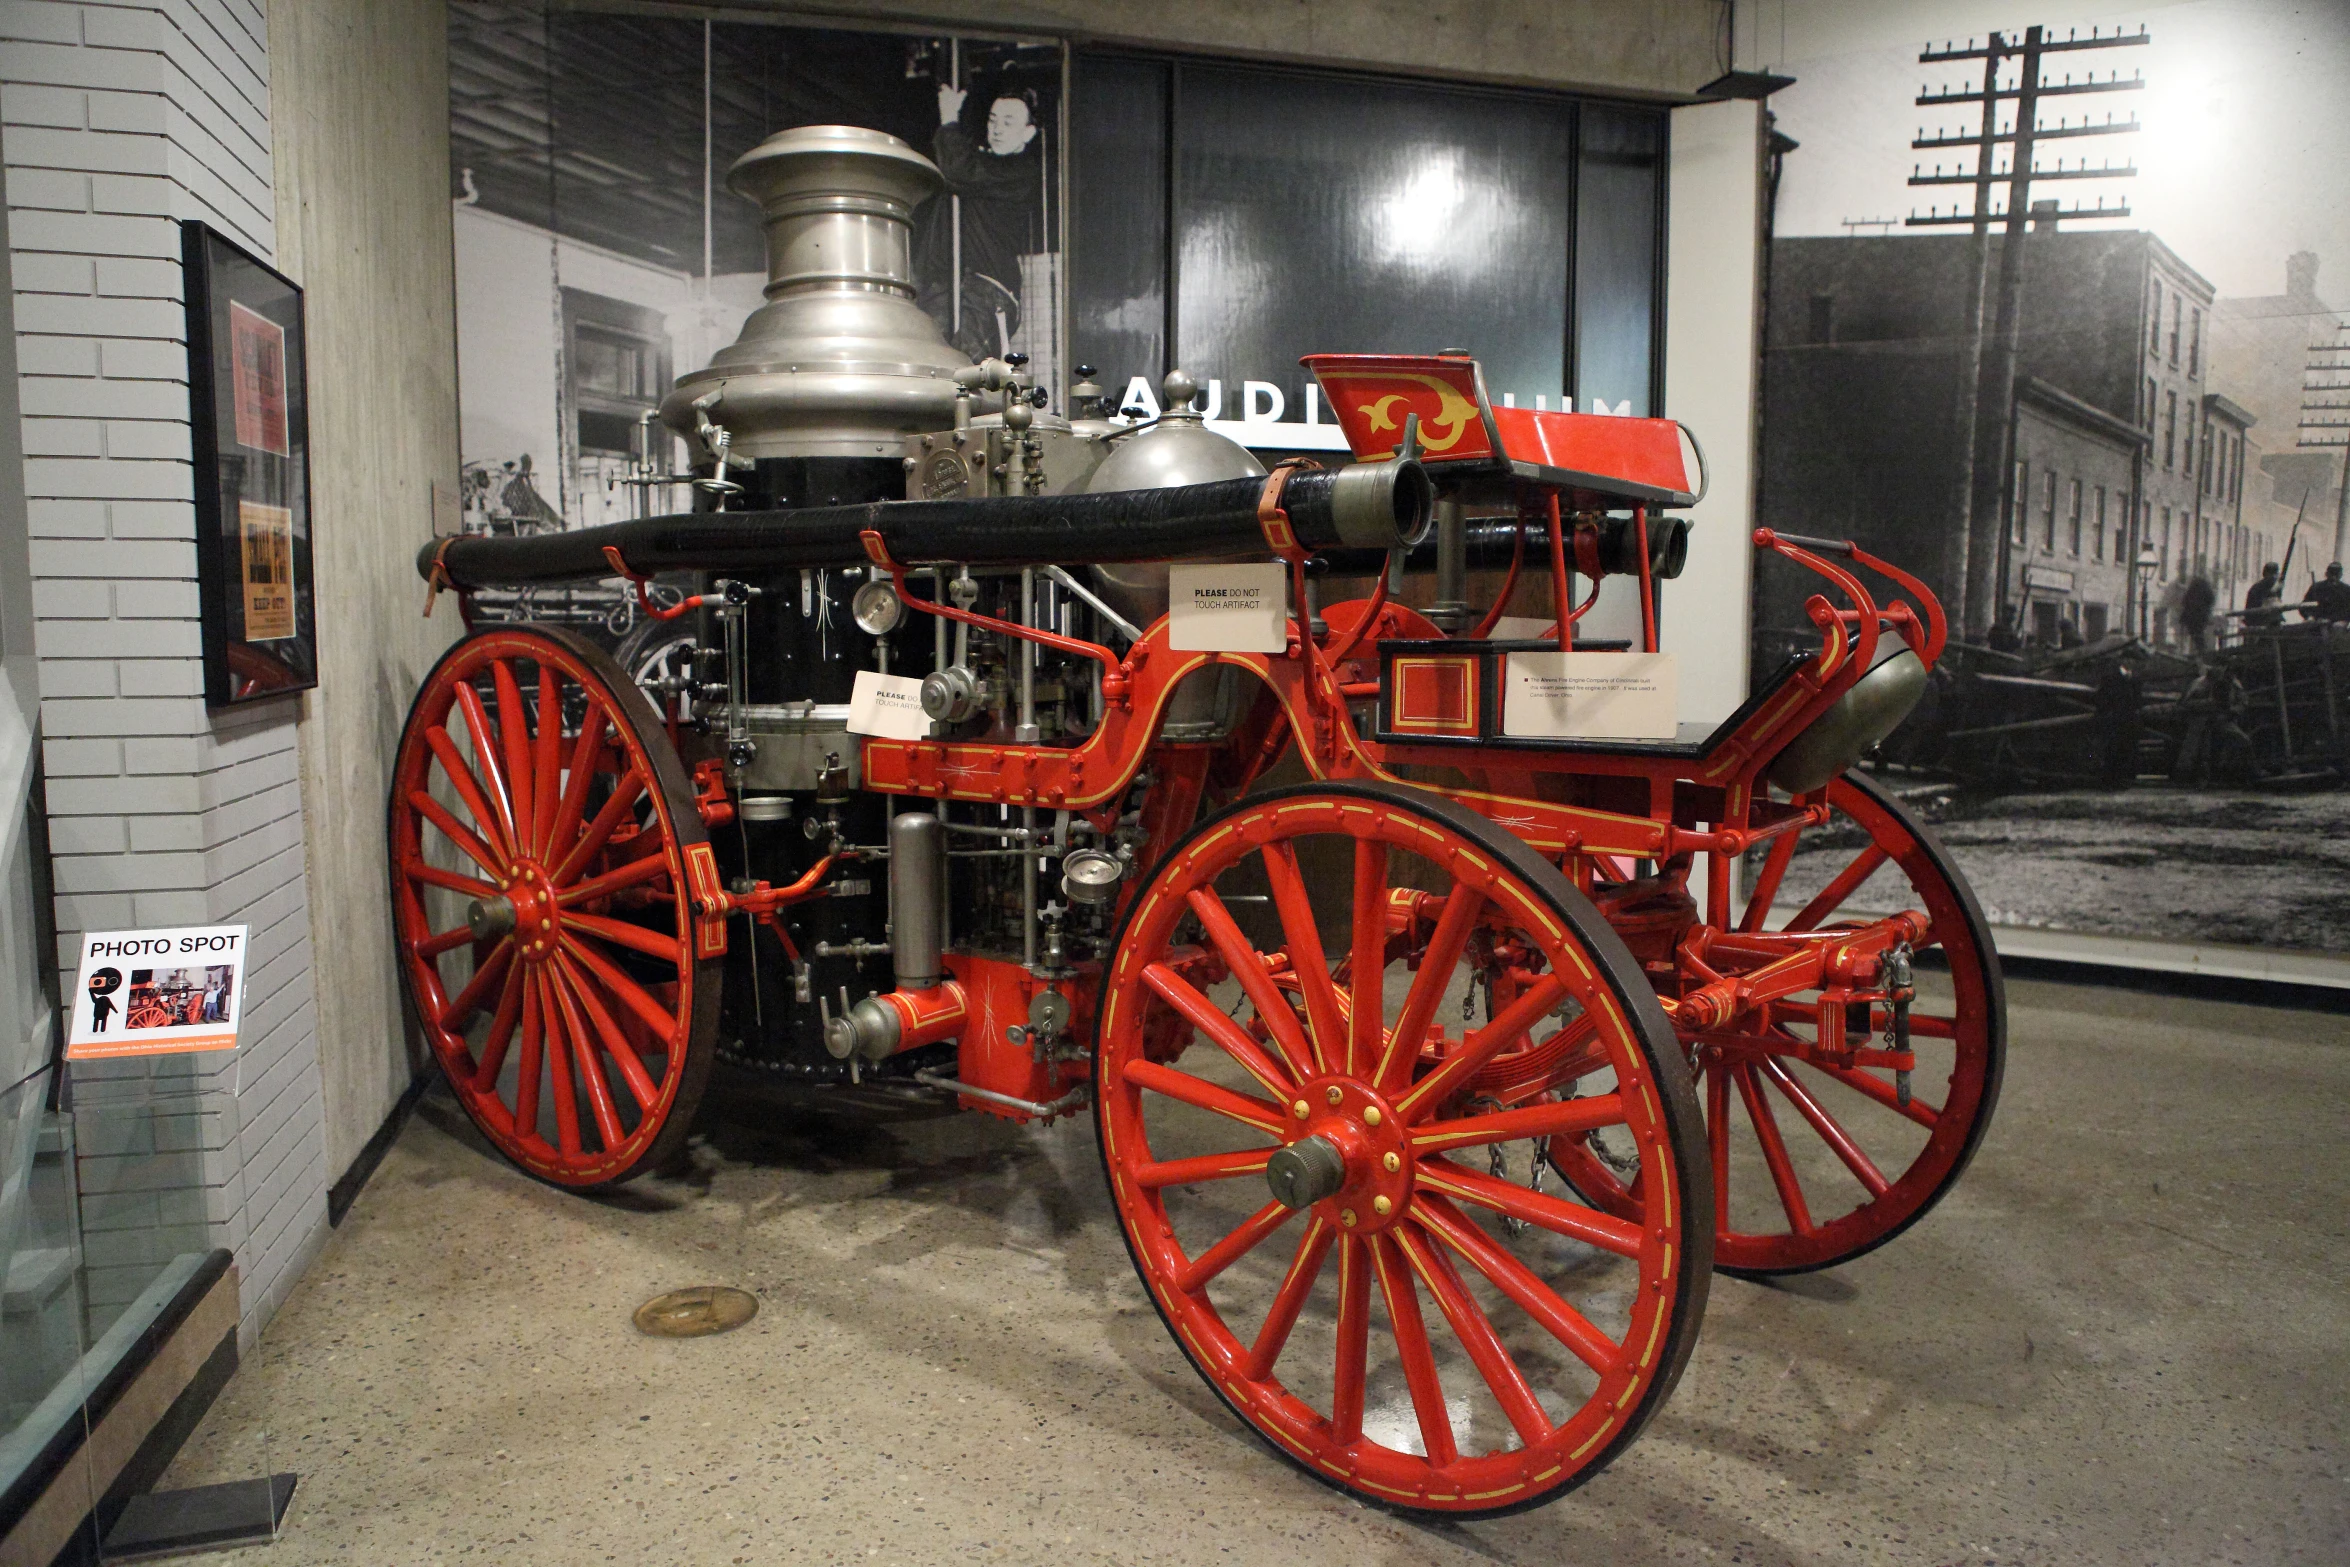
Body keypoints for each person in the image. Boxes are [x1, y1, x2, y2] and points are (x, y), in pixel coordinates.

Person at [916, 82, 1046, 362]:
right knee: (931, 366)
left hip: (988, 290)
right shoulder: (983, 166)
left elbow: (959, 169)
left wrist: (950, 119)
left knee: (961, 370)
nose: (997, 129)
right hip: (946, 285)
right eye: (993, 120)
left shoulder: (1020, 172)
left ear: (1028, 133)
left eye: (1008, 123)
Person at [2245, 562, 2285, 629]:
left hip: (2273, 621)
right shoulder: (2257, 588)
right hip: (2258, 622)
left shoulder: (2276, 587)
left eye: (2276, 574)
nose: (2274, 577)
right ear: (2266, 574)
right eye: (2271, 574)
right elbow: (2253, 609)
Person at [86, 966, 121, 1033]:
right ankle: (101, 1030)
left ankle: (95, 1030)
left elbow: (94, 1000)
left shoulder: (101, 999)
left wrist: (91, 993)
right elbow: (111, 1005)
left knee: (97, 1021)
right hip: (104, 1013)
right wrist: (115, 1011)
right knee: (103, 1021)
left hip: (98, 1013)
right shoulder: (106, 999)